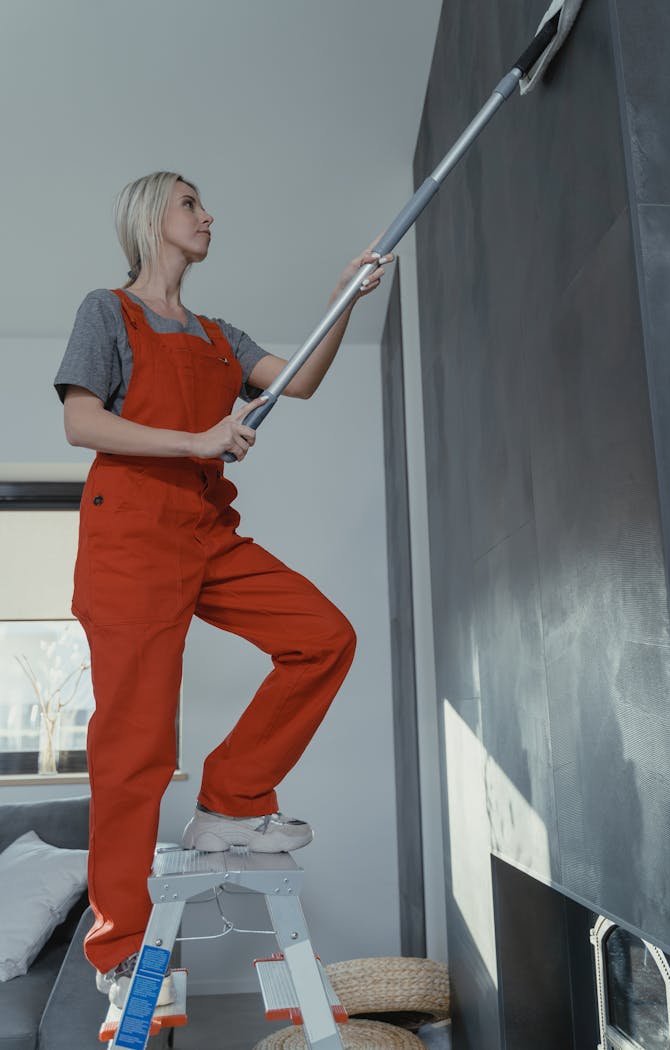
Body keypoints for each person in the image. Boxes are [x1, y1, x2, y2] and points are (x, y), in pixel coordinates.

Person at [53, 170, 392, 1009]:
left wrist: (345, 297)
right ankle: (125, 954)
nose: (208, 217)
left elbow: (300, 380)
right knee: (136, 749)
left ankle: (234, 799)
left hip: (206, 531)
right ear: (150, 219)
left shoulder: (216, 334)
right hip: (130, 535)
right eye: (191, 206)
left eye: (203, 206)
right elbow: (81, 421)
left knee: (323, 636)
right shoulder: (110, 312)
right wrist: (196, 437)